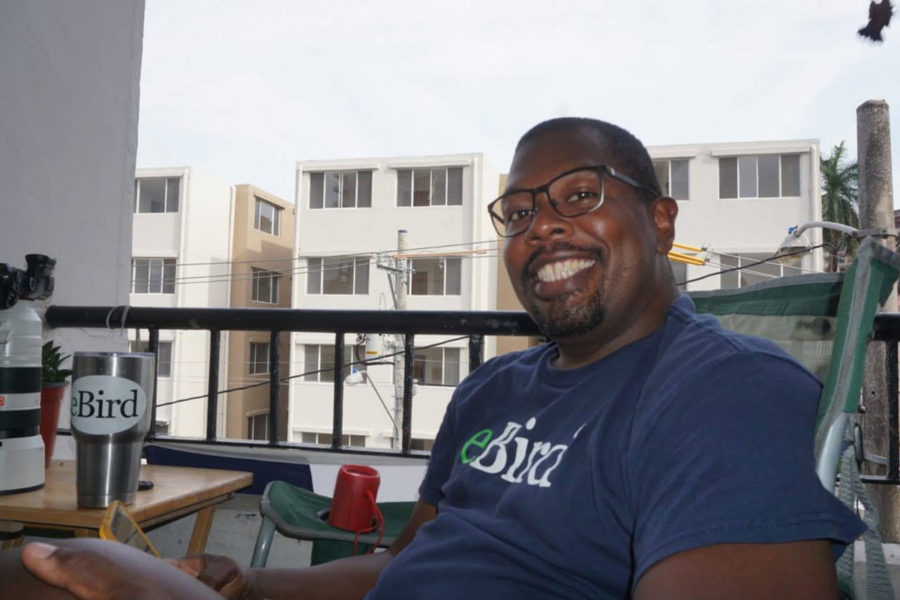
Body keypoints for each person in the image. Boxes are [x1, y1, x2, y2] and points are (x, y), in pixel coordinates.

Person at [12, 117, 864, 599]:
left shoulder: (724, 393)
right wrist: (242, 590)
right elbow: (405, 567)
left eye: (580, 195)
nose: (544, 227)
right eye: (521, 210)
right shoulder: (493, 389)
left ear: (663, 221)